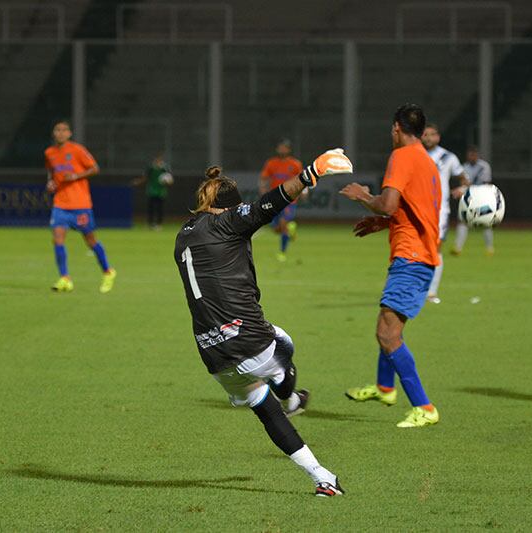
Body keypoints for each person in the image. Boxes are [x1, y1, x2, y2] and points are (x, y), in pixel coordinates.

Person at [174, 149, 352, 496]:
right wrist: (310, 173)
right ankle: (289, 394)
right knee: (284, 344)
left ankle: (322, 478)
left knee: (265, 411)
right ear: (229, 207)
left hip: (212, 354)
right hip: (249, 339)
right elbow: (271, 202)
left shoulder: (183, 233)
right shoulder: (228, 221)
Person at [339, 104, 442, 429]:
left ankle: (424, 407)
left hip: (411, 259)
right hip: (416, 254)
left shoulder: (402, 156)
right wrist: (383, 224)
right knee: (386, 325)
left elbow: (388, 203)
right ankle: (385, 389)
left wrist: (362, 195)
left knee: (388, 334)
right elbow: (416, 210)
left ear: (396, 127)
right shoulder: (426, 161)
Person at [44, 120, 116, 293]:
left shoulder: (77, 150)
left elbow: (94, 168)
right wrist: (51, 183)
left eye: (64, 130)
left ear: (69, 134)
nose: (60, 133)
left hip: (80, 204)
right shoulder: (49, 153)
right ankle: (65, 278)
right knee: (58, 238)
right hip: (60, 203)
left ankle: (108, 271)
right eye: (57, 130)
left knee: (90, 240)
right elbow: (51, 173)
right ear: (54, 133)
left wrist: (76, 175)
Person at [420, 123, 468, 304]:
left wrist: (463, 187)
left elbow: (463, 176)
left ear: (438, 137)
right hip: (417, 208)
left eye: (432, 135)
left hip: (439, 210)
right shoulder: (415, 155)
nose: (429, 138)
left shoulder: (448, 157)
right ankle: (418, 288)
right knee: (416, 249)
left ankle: (431, 292)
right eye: (425, 135)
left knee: (435, 248)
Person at [260, 139, 304, 262]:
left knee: (283, 223)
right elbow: (264, 178)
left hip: (290, 199)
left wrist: (304, 191)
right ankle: (291, 229)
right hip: (275, 198)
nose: (282, 149)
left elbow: (302, 179)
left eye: (284, 147)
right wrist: (263, 189)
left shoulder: (295, 164)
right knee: (276, 228)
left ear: (289, 150)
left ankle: (282, 252)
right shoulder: (271, 163)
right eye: (280, 147)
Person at [452, 145, 495, 255]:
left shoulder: (484, 166)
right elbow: (463, 183)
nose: (472, 156)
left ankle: (489, 248)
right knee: (463, 222)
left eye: (474, 154)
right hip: (468, 198)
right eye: (470, 154)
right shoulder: (464, 167)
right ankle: (457, 248)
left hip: (482, 197)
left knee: (486, 222)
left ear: (477, 155)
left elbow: (486, 183)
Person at [134, 152, 174, 230]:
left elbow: (170, 179)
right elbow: (145, 177)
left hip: (161, 192)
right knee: (151, 208)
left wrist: (167, 181)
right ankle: (150, 224)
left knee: (160, 208)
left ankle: (159, 224)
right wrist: (138, 182)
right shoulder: (151, 168)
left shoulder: (165, 168)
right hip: (152, 190)